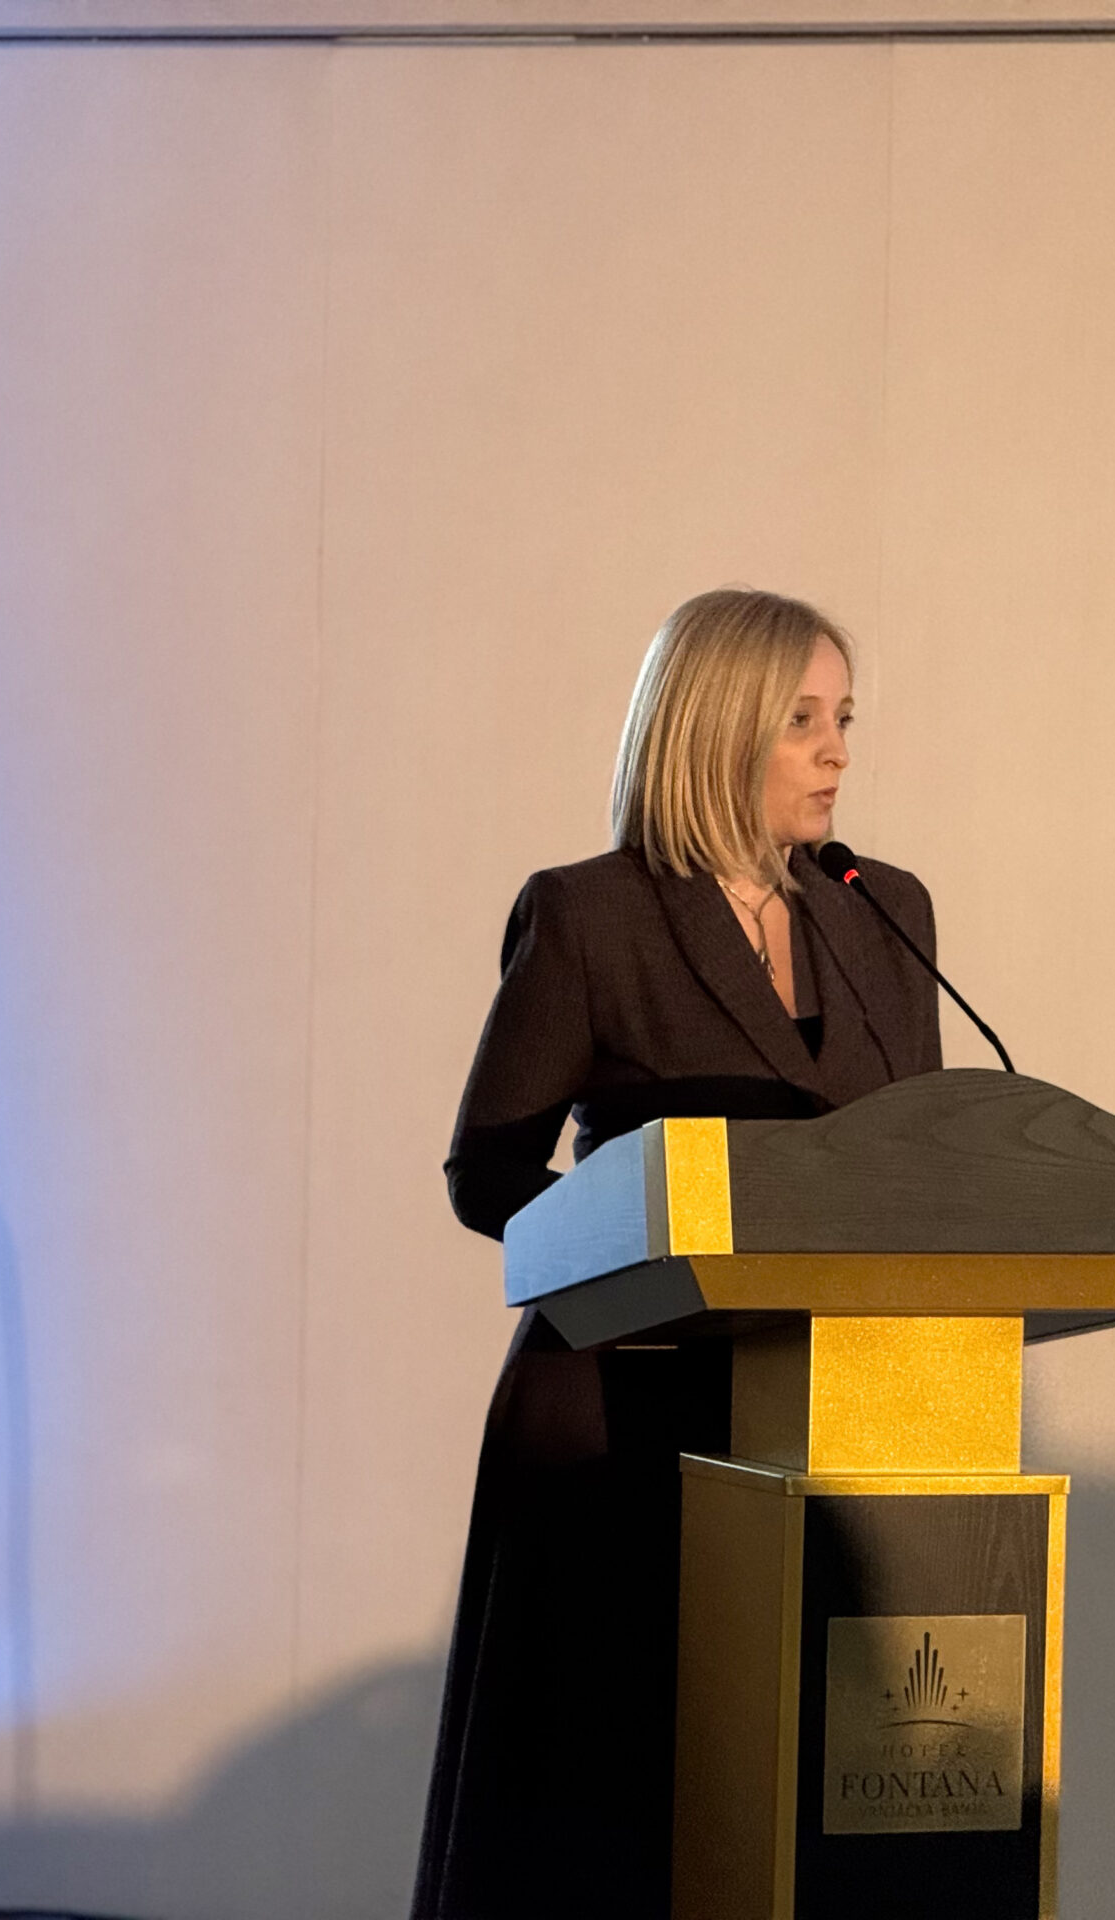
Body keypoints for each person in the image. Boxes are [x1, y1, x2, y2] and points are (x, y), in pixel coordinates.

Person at [412, 588, 945, 1920]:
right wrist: (650, 1253)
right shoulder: (593, 916)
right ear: (717, 730)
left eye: (844, 718)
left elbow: (921, 1163)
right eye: (803, 721)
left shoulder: (886, 910)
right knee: (616, 1816)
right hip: (627, 1412)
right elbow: (490, 1175)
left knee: (801, 1816)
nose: (838, 751)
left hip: (838, 1419)